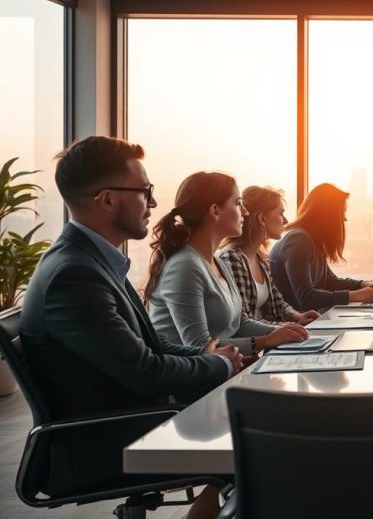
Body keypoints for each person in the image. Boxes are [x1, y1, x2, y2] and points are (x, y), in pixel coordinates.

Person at [19, 136, 241, 518]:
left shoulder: (95, 261)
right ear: (106, 199)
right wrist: (219, 365)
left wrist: (209, 354)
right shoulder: (75, 275)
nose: (153, 204)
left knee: (252, 430)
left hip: (128, 423)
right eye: (145, 191)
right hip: (105, 442)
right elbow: (146, 372)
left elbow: (149, 347)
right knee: (261, 440)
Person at [145, 172, 309, 356]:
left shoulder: (216, 262)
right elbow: (199, 345)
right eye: (238, 203)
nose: (246, 212)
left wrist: (287, 330)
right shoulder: (184, 267)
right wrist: (267, 340)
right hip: (193, 380)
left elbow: (241, 323)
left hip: (222, 371)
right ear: (215, 211)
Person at [270, 183, 373, 311]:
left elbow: (329, 281)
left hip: (306, 318)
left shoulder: (312, 240)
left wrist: (363, 285)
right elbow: (306, 298)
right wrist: (355, 295)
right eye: (342, 212)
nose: (345, 219)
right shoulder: (298, 241)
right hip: (293, 323)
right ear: (328, 215)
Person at [219, 186, 320, 328]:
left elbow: (278, 302)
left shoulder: (261, 258)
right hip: (251, 347)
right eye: (281, 213)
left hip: (268, 341)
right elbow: (243, 320)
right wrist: (284, 328)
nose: (285, 221)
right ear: (262, 218)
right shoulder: (232, 259)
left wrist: (297, 317)